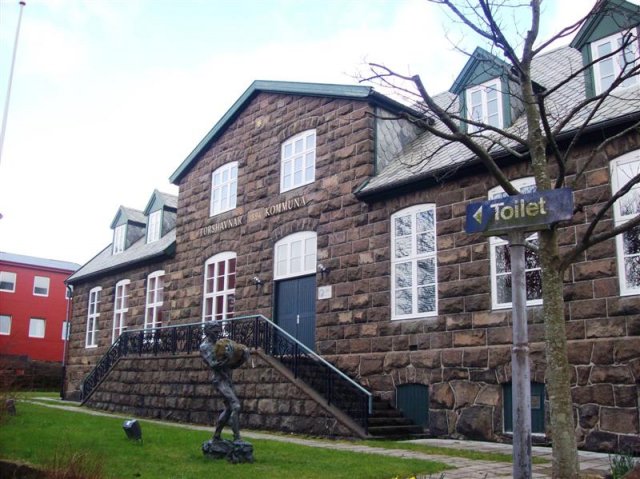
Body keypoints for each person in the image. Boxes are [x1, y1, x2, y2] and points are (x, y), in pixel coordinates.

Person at [200, 322, 250, 442]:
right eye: (215, 331)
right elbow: (214, 365)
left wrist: (242, 357)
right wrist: (228, 357)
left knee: (228, 409)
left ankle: (217, 436)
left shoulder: (221, 345)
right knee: (236, 406)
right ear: (207, 331)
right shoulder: (205, 347)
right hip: (219, 380)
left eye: (218, 331)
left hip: (227, 379)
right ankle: (237, 438)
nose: (217, 334)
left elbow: (231, 366)